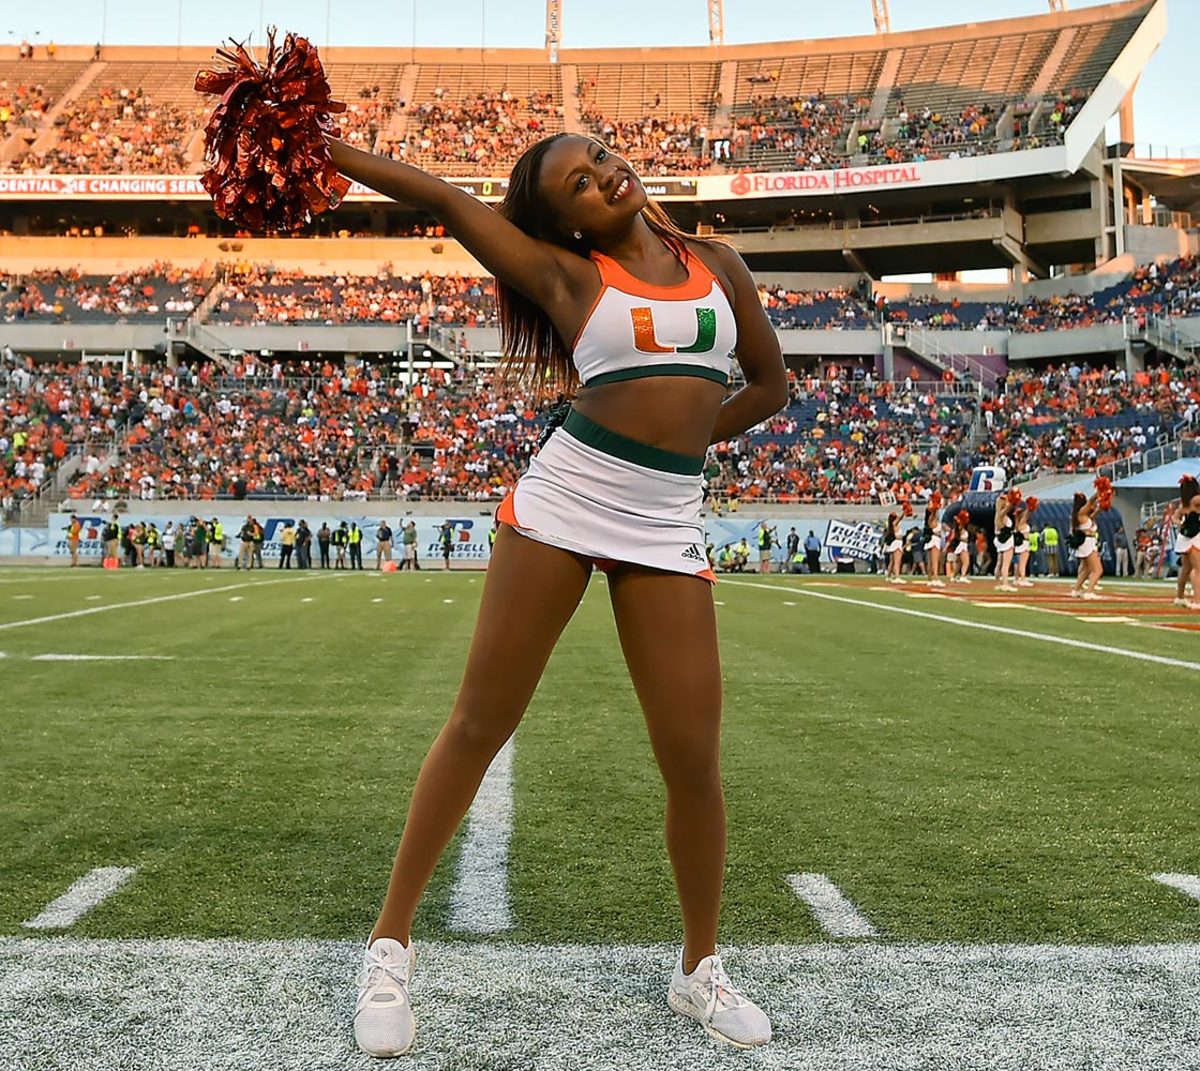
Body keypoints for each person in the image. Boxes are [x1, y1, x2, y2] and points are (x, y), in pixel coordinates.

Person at [324, 127, 784, 1055]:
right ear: (564, 223)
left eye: (601, 157)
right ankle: (388, 948)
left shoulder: (721, 265)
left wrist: (680, 444)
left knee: (692, 758)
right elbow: (442, 197)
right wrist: (320, 147)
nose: (606, 175)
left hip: (664, 516)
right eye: (579, 182)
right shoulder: (567, 278)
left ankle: (699, 969)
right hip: (567, 498)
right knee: (478, 722)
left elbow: (770, 386)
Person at [1171, 475, 1200, 609]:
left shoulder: (1184, 504)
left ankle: (1180, 597)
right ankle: (1197, 601)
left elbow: (1174, 518)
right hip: (1194, 537)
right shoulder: (1196, 500)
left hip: (1184, 537)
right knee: (1197, 570)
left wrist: (1182, 524)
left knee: (1186, 570)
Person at [1069, 491, 1103, 600]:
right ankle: (1089, 592)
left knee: (1087, 569)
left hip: (1087, 542)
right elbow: (1091, 501)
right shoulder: (1081, 512)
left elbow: (1094, 513)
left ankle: (1076, 590)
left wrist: (1102, 505)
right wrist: (1099, 492)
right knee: (1098, 570)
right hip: (1088, 543)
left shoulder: (1082, 515)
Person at [993, 492, 1016, 592]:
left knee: (1000, 563)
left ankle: (998, 583)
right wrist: (1013, 500)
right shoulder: (1002, 514)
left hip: (1000, 539)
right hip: (1006, 540)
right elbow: (1009, 507)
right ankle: (1005, 583)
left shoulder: (998, 515)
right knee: (1006, 564)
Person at [922, 497, 945, 588]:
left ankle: (930, 579)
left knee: (931, 561)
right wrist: (935, 506)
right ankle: (935, 578)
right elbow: (934, 512)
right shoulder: (931, 518)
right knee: (935, 561)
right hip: (935, 540)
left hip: (933, 540)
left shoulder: (932, 518)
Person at [881, 512, 904, 584]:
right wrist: (904, 512)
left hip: (894, 544)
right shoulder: (894, 524)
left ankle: (888, 576)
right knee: (897, 562)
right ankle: (897, 577)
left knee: (892, 562)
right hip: (897, 544)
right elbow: (900, 518)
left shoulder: (891, 525)